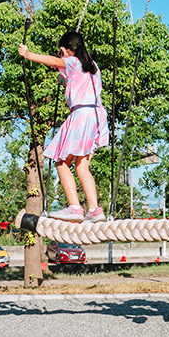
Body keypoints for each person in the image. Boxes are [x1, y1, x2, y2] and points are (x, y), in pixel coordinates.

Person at [18, 30, 109, 223]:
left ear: (64, 50)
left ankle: (75, 208)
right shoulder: (92, 66)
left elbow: (54, 62)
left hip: (80, 115)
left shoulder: (73, 62)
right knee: (82, 166)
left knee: (60, 161)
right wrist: (65, 77)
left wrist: (28, 54)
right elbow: (72, 77)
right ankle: (94, 209)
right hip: (95, 115)